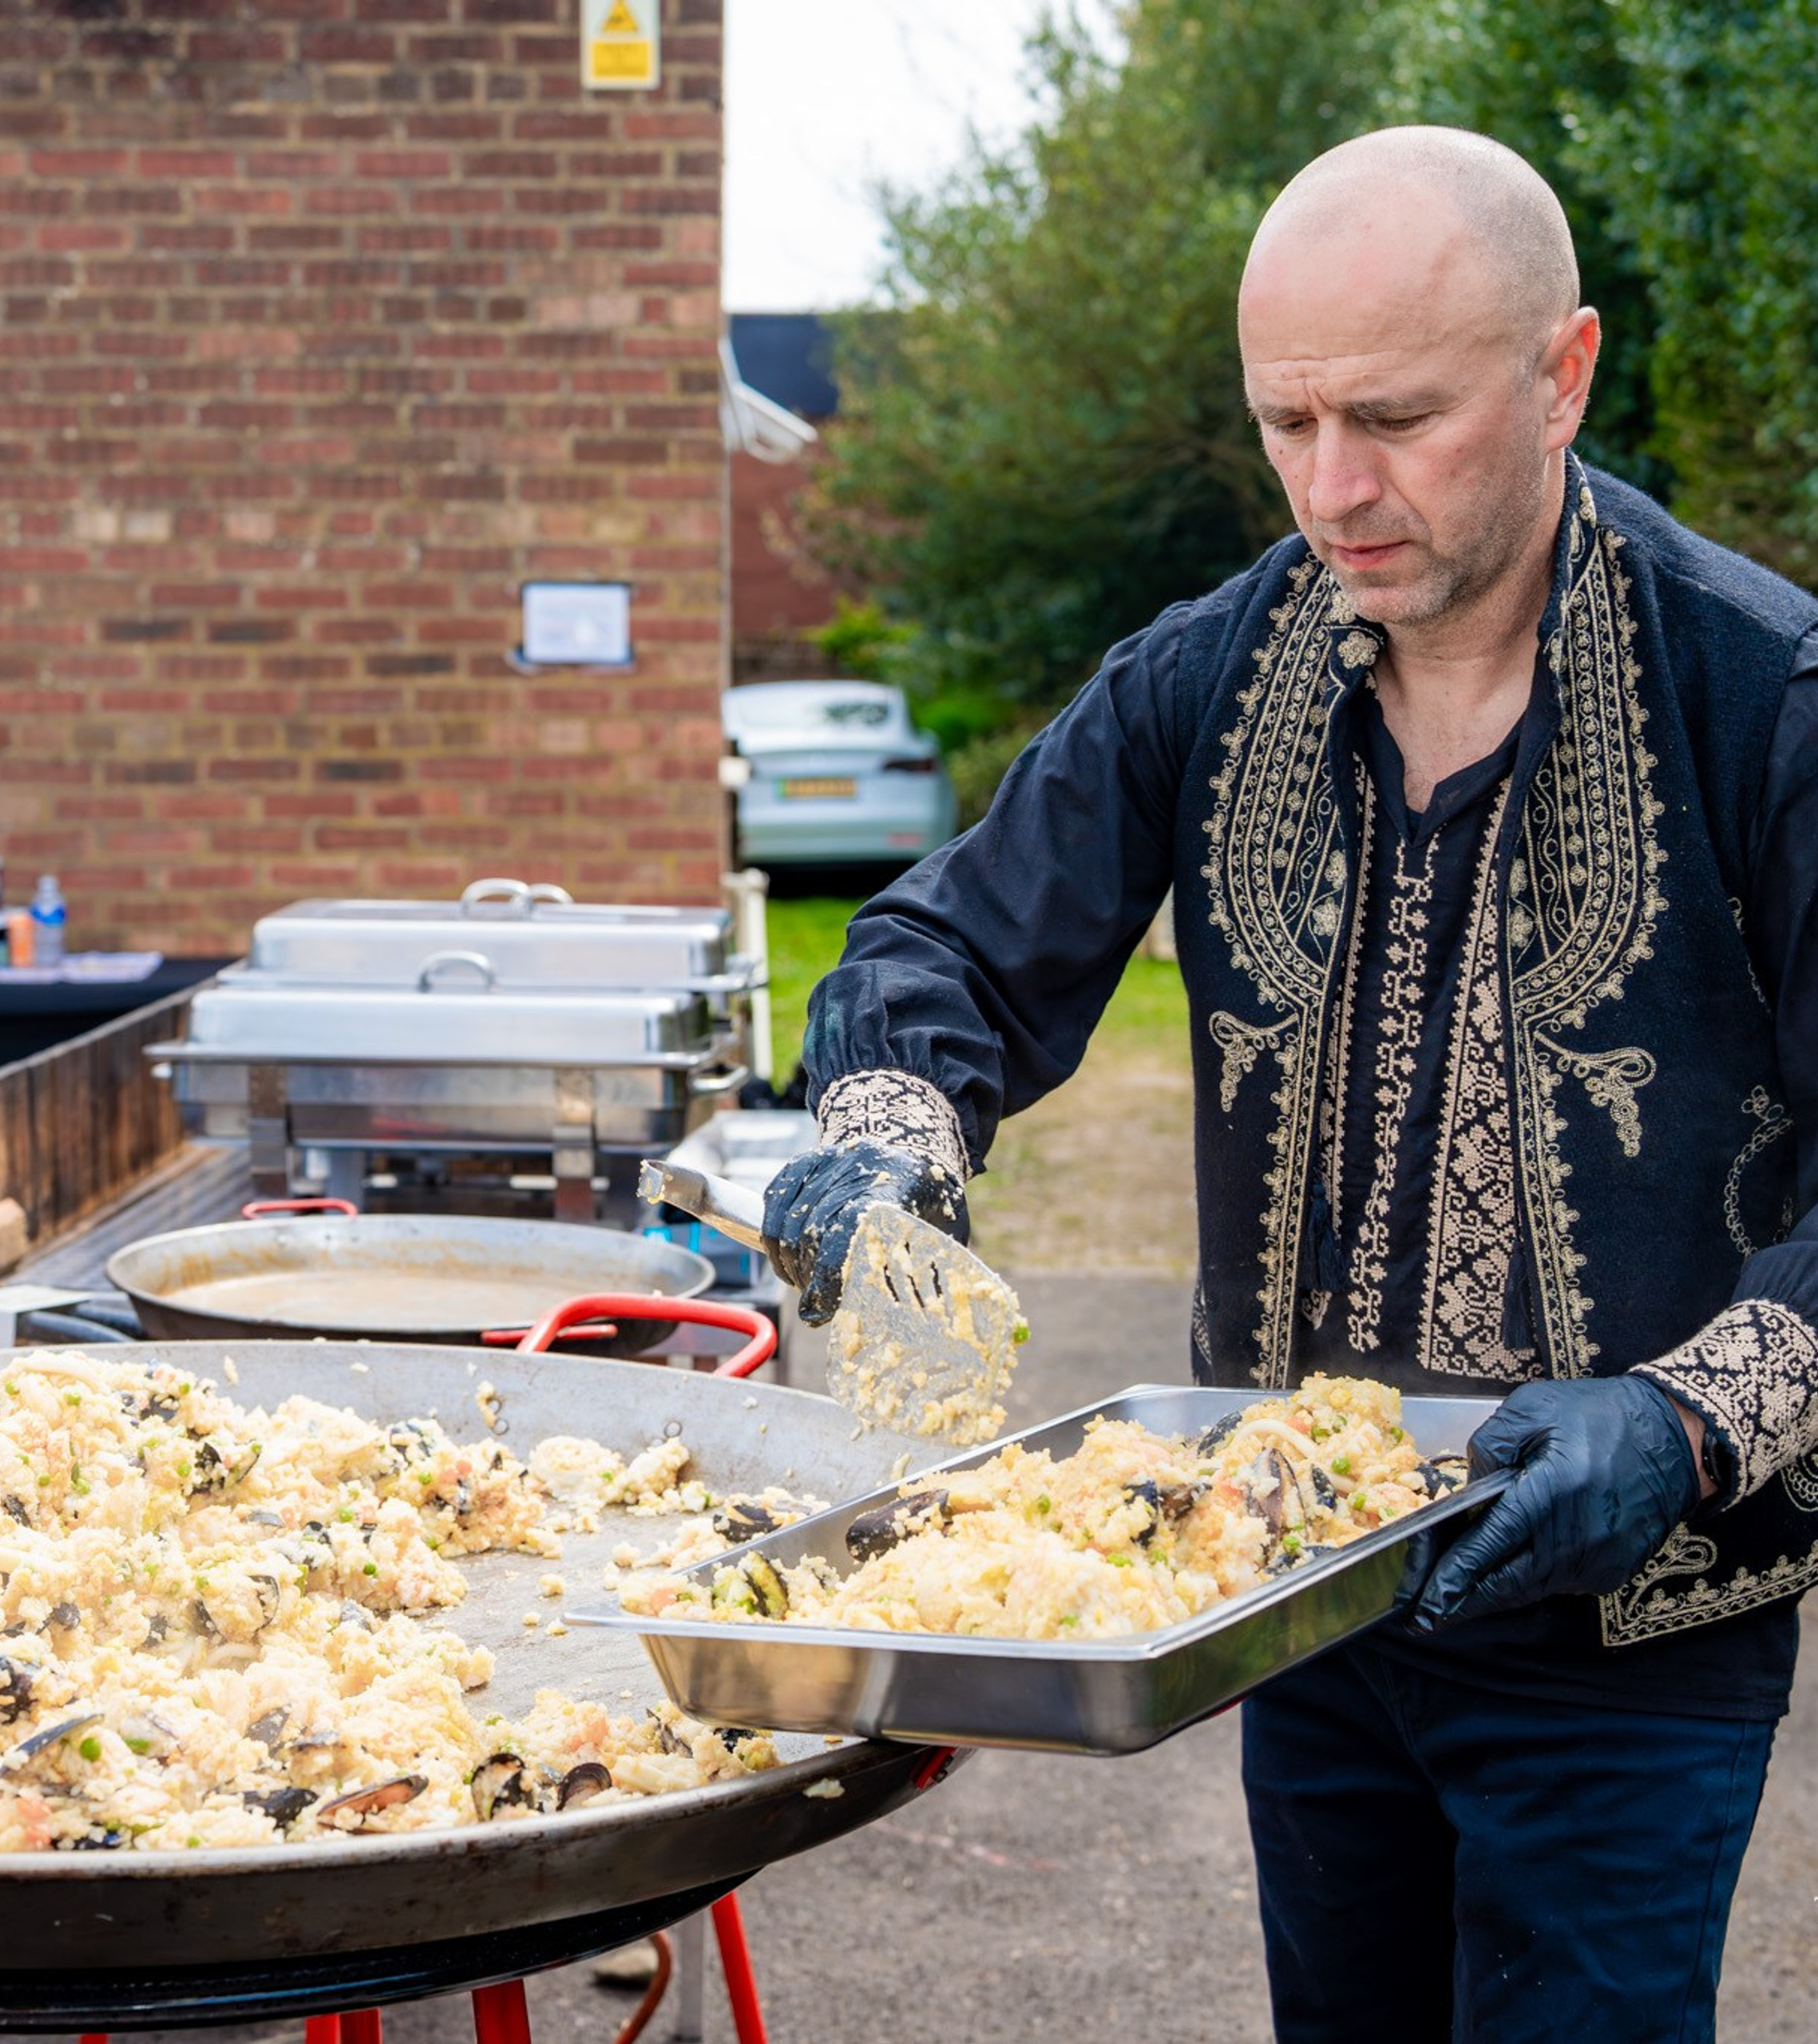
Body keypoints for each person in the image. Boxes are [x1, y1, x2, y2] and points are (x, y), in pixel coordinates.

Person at [758, 125, 1818, 2042]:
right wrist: (886, 1140)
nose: (1333, 486)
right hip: (1295, 1583)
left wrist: (1683, 1418)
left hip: (1631, 1632)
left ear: (1560, 373)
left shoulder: (1764, 699)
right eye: (1286, 421)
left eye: (1394, 418)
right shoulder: (1209, 671)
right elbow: (944, 945)